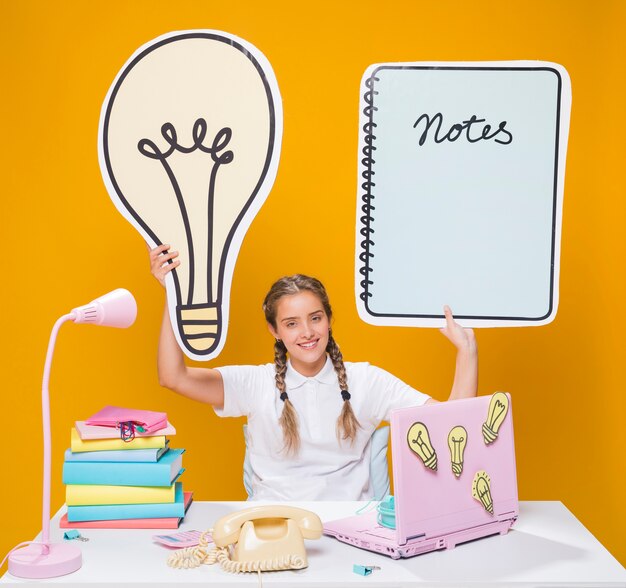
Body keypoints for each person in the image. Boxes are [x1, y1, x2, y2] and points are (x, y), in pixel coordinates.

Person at [149, 244, 478, 501]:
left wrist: (467, 352)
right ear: (274, 330)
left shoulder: (366, 380)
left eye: (315, 318)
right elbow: (173, 377)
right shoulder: (254, 383)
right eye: (291, 323)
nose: (307, 332)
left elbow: (450, 426)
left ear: (329, 319)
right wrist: (171, 294)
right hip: (273, 526)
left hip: (352, 529)